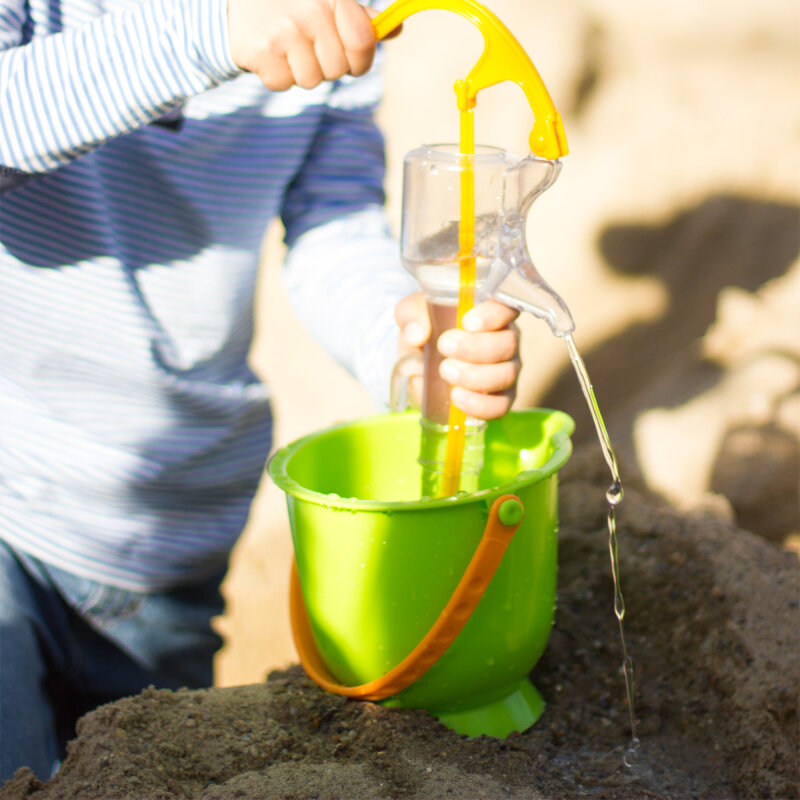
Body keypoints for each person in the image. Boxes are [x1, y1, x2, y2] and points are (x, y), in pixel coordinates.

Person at [0, 0, 521, 783]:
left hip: (178, 539)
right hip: (15, 507)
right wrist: (217, 31)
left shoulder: (347, 12)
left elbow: (333, 224)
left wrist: (403, 350)